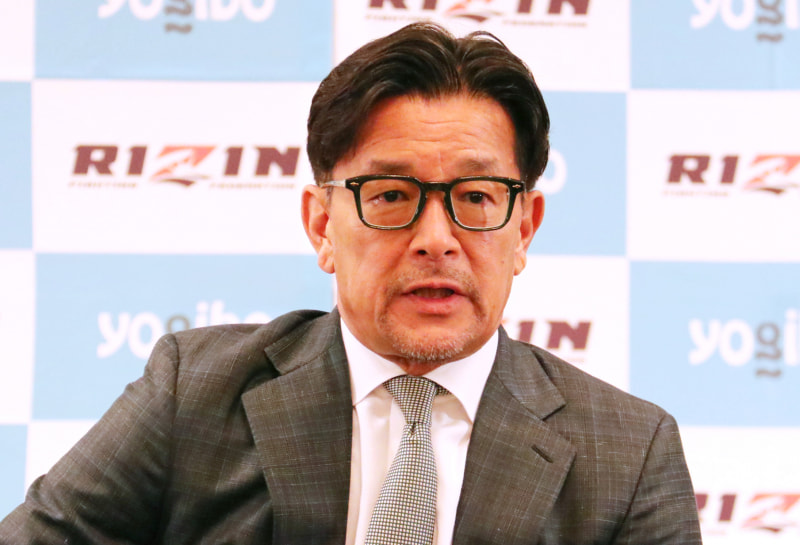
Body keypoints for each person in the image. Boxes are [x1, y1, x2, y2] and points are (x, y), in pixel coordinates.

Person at [0, 22, 702, 545]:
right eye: (392, 196)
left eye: (476, 197)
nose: (436, 238)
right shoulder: (196, 393)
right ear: (321, 225)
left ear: (524, 228)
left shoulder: (629, 453)